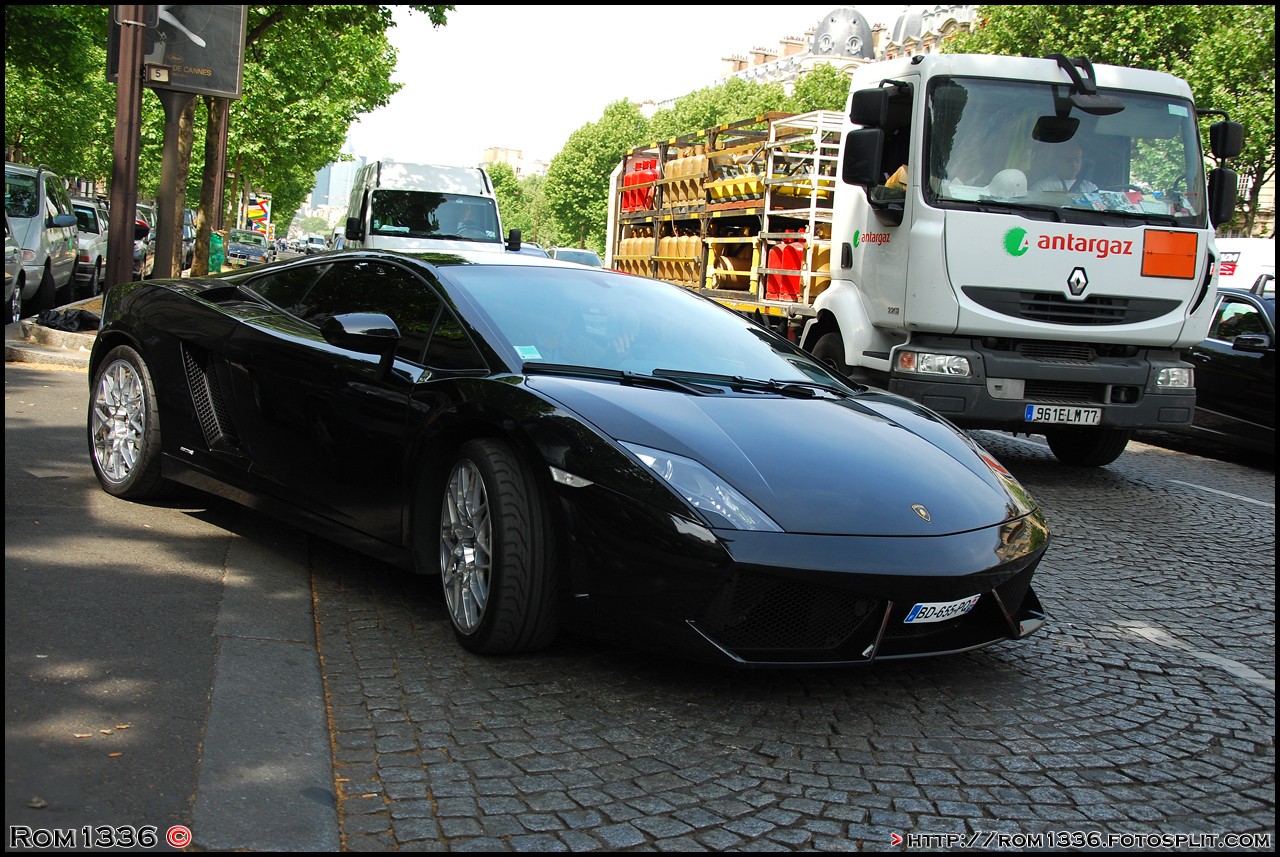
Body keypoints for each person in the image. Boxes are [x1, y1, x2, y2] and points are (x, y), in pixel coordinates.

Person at [1030, 142, 1099, 193]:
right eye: (1068, 160)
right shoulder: (1041, 188)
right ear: (1057, 162)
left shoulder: (1091, 189)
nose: (1074, 164)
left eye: (1077, 160)